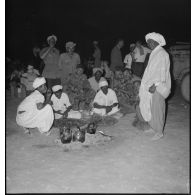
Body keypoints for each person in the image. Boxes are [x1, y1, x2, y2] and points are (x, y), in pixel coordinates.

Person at [139, 32, 171, 140]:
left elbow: (161, 72)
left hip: (158, 86)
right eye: (148, 43)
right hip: (152, 85)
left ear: (157, 41)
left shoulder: (162, 53)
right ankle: (154, 127)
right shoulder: (155, 53)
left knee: (158, 108)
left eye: (151, 42)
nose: (149, 44)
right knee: (151, 107)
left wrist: (155, 85)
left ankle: (159, 132)